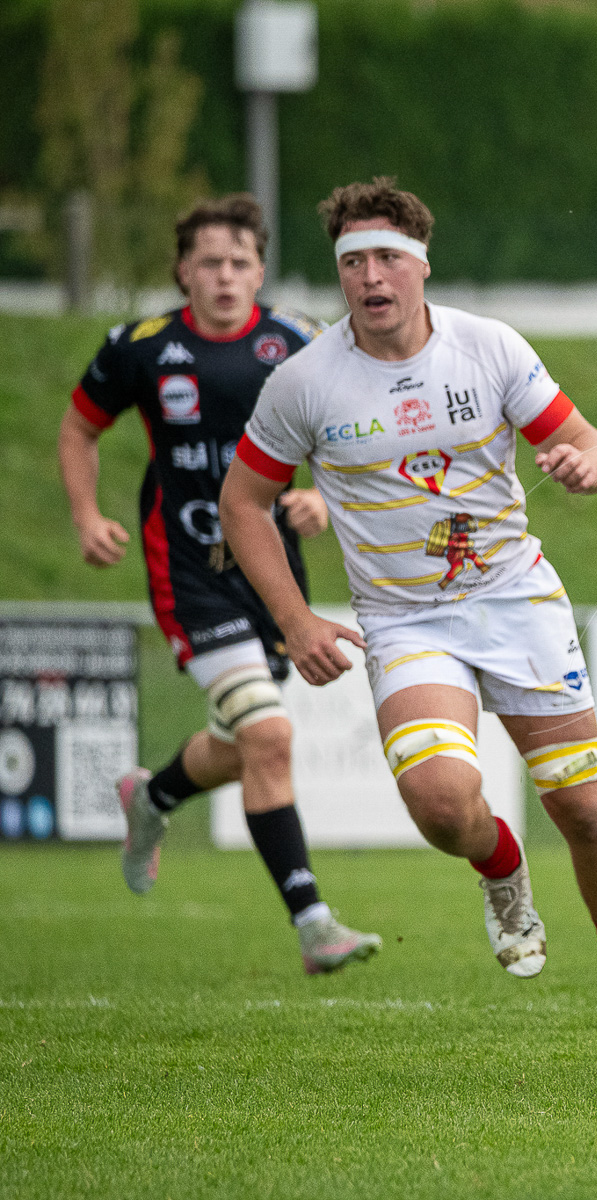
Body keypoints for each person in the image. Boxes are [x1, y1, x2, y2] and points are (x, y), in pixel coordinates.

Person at [218, 178, 597, 1033]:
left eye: (388, 257)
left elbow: (589, 443)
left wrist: (588, 465)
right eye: (353, 262)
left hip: (515, 600)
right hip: (406, 618)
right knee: (441, 802)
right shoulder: (305, 381)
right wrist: (297, 620)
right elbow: (244, 502)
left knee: (580, 806)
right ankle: (502, 870)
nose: (371, 277)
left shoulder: (487, 348)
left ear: (422, 266)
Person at [58, 193, 379, 975]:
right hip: (188, 570)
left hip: (271, 574)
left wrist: (321, 496)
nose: (225, 276)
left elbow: (356, 428)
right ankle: (314, 925)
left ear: (260, 269)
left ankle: (153, 797)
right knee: (268, 736)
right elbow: (79, 427)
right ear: (183, 271)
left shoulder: (299, 341)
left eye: (239, 262)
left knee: (242, 743)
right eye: (209, 263)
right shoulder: (139, 346)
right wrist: (85, 513)